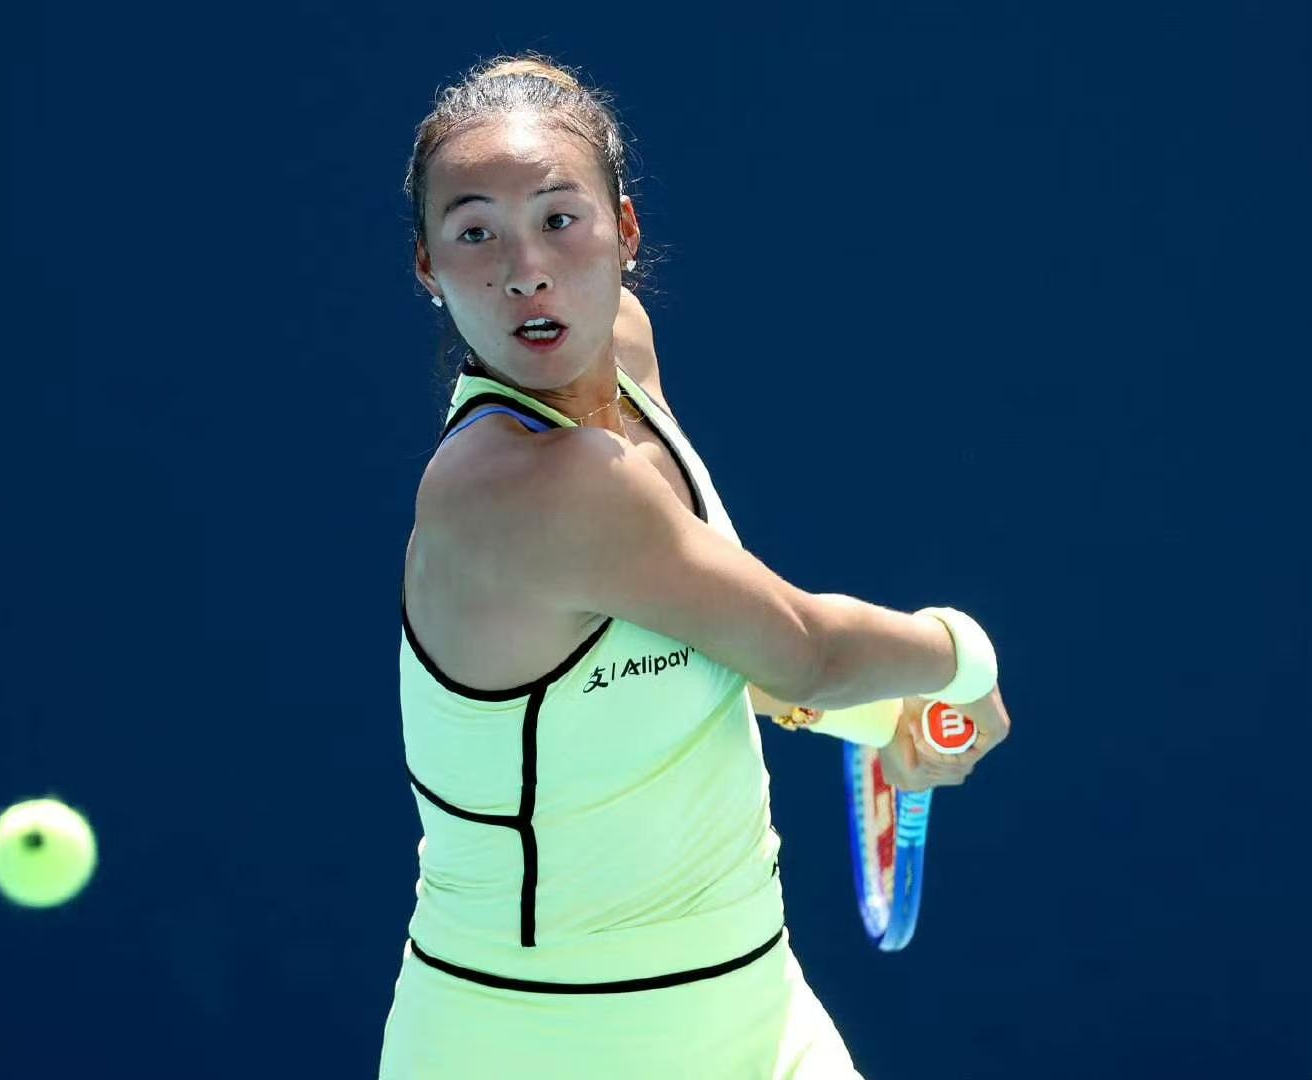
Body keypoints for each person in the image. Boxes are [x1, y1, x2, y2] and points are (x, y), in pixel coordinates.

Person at [380, 54, 1013, 1079]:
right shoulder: (520, 488)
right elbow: (804, 652)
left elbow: (710, 636)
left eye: (558, 218)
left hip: (756, 1008)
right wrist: (961, 655)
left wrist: (871, 718)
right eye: (476, 233)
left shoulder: (624, 355)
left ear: (624, 231)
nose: (525, 269)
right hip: (533, 1043)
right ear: (428, 268)